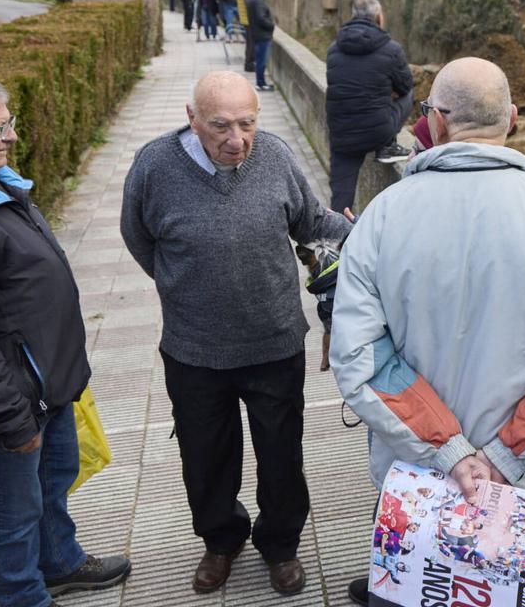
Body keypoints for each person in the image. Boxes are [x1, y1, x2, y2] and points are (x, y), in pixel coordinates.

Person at [330, 56, 525, 607]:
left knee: (404, 594)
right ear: (511, 118)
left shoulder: (383, 217)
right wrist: (503, 457)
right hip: (514, 488)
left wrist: (449, 451)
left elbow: (361, 357)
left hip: (413, 475)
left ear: (435, 121)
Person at [120, 71, 352, 598]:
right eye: (220, 126)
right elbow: (137, 237)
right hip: (193, 347)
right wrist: (183, 284)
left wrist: (375, 230)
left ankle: (281, 545)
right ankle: (221, 541)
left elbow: (312, 221)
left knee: (281, 453)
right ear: (192, 118)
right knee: (205, 456)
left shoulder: (274, 155)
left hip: (273, 340)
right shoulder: (155, 165)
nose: (236, 139)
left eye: (247, 123)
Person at [0, 69, 132, 607]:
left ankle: (59, 562)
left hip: (44, 385)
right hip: (10, 401)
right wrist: (9, 419)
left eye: (9, 122)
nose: (12, 135)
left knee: (52, 485)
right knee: (13, 510)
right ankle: (23, 595)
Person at [324, 0, 414, 213]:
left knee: (341, 196)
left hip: (341, 133)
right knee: (408, 94)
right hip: (378, 132)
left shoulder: (334, 49)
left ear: (352, 16)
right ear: (379, 17)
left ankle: (335, 239)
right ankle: (388, 146)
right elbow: (404, 86)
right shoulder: (392, 49)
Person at [245, 0, 276, 92]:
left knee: (259, 60)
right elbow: (261, 18)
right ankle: (261, 83)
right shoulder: (258, 1)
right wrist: (271, 25)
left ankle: (261, 82)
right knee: (261, 61)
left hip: (256, 34)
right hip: (262, 35)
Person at [236, 0, 256, 72]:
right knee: (251, 43)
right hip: (249, 19)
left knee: (249, 43)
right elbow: (250, 3)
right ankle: (249, 64)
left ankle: (249, 63)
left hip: (244, 19)